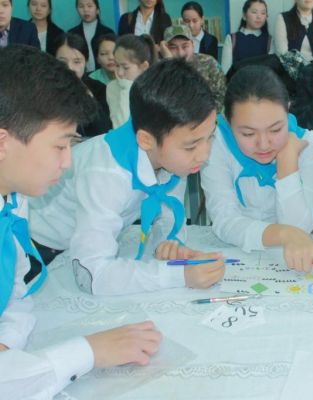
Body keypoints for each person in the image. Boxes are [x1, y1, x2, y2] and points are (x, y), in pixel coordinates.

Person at [0, 44, 162, 399]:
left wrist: (9, 354)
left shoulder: (14, 196)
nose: (68, 162)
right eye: (59, 146)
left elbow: (14, 297)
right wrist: (87, 352)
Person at [28, 59, 225, 295]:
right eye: (191, 146)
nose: (204, 154)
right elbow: (92, 274)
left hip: (85, 243)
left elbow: (167, 216)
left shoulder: (171, 156)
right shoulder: (106, 175)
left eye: (210, 137)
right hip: (41, 251)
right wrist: (179, 275)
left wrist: (169, 244)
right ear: (146, 140)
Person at [201, 65, 313, 282]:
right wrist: (283, 234)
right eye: (248, 133)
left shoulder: (308, 144)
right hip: (236, 258)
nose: (264, 144)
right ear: (228, 122)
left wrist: (287, 162)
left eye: (276, 130)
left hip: (288, 262)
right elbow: (224, 220)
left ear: (288, 110)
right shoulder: (214, 142)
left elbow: (301, 228)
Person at [53, 32, 112, 138]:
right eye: (63, 62)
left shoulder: (99, 89)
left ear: (86, 61)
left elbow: (105, 130)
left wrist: (90, 99)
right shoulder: (44, 89)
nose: (70, 68)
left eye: (77, 62)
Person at [160, 24, 226, 111]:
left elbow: (221, 97)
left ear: (193, 45)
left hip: (208, 115)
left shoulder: (209, 63)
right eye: (173, 47)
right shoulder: (160, 69)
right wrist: (170, 63)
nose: (180, 53)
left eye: (185, 46)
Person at [106, 33, 155, 128]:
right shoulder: (112, 87)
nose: (119, 73)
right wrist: (127, 88)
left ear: (144, 67)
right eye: (117, 65)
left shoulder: (156, 88)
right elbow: (120, 125)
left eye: (125, 67)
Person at [221, 0, 272, 74]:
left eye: (263, 13)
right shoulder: (232, 39)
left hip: (263, 81)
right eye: (254, 12)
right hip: (237, 80)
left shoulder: (269, 40)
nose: (259, 16)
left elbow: (271, 72)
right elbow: (225, 72)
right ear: (244, 16)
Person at [68, 0, 114, 73]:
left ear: (97, 10)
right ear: (77, 10)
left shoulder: (107, 32)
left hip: (103, 74)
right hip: (80, 74)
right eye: (81, 6)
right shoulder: (72, 33)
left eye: (89, 6)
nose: (85, 10)